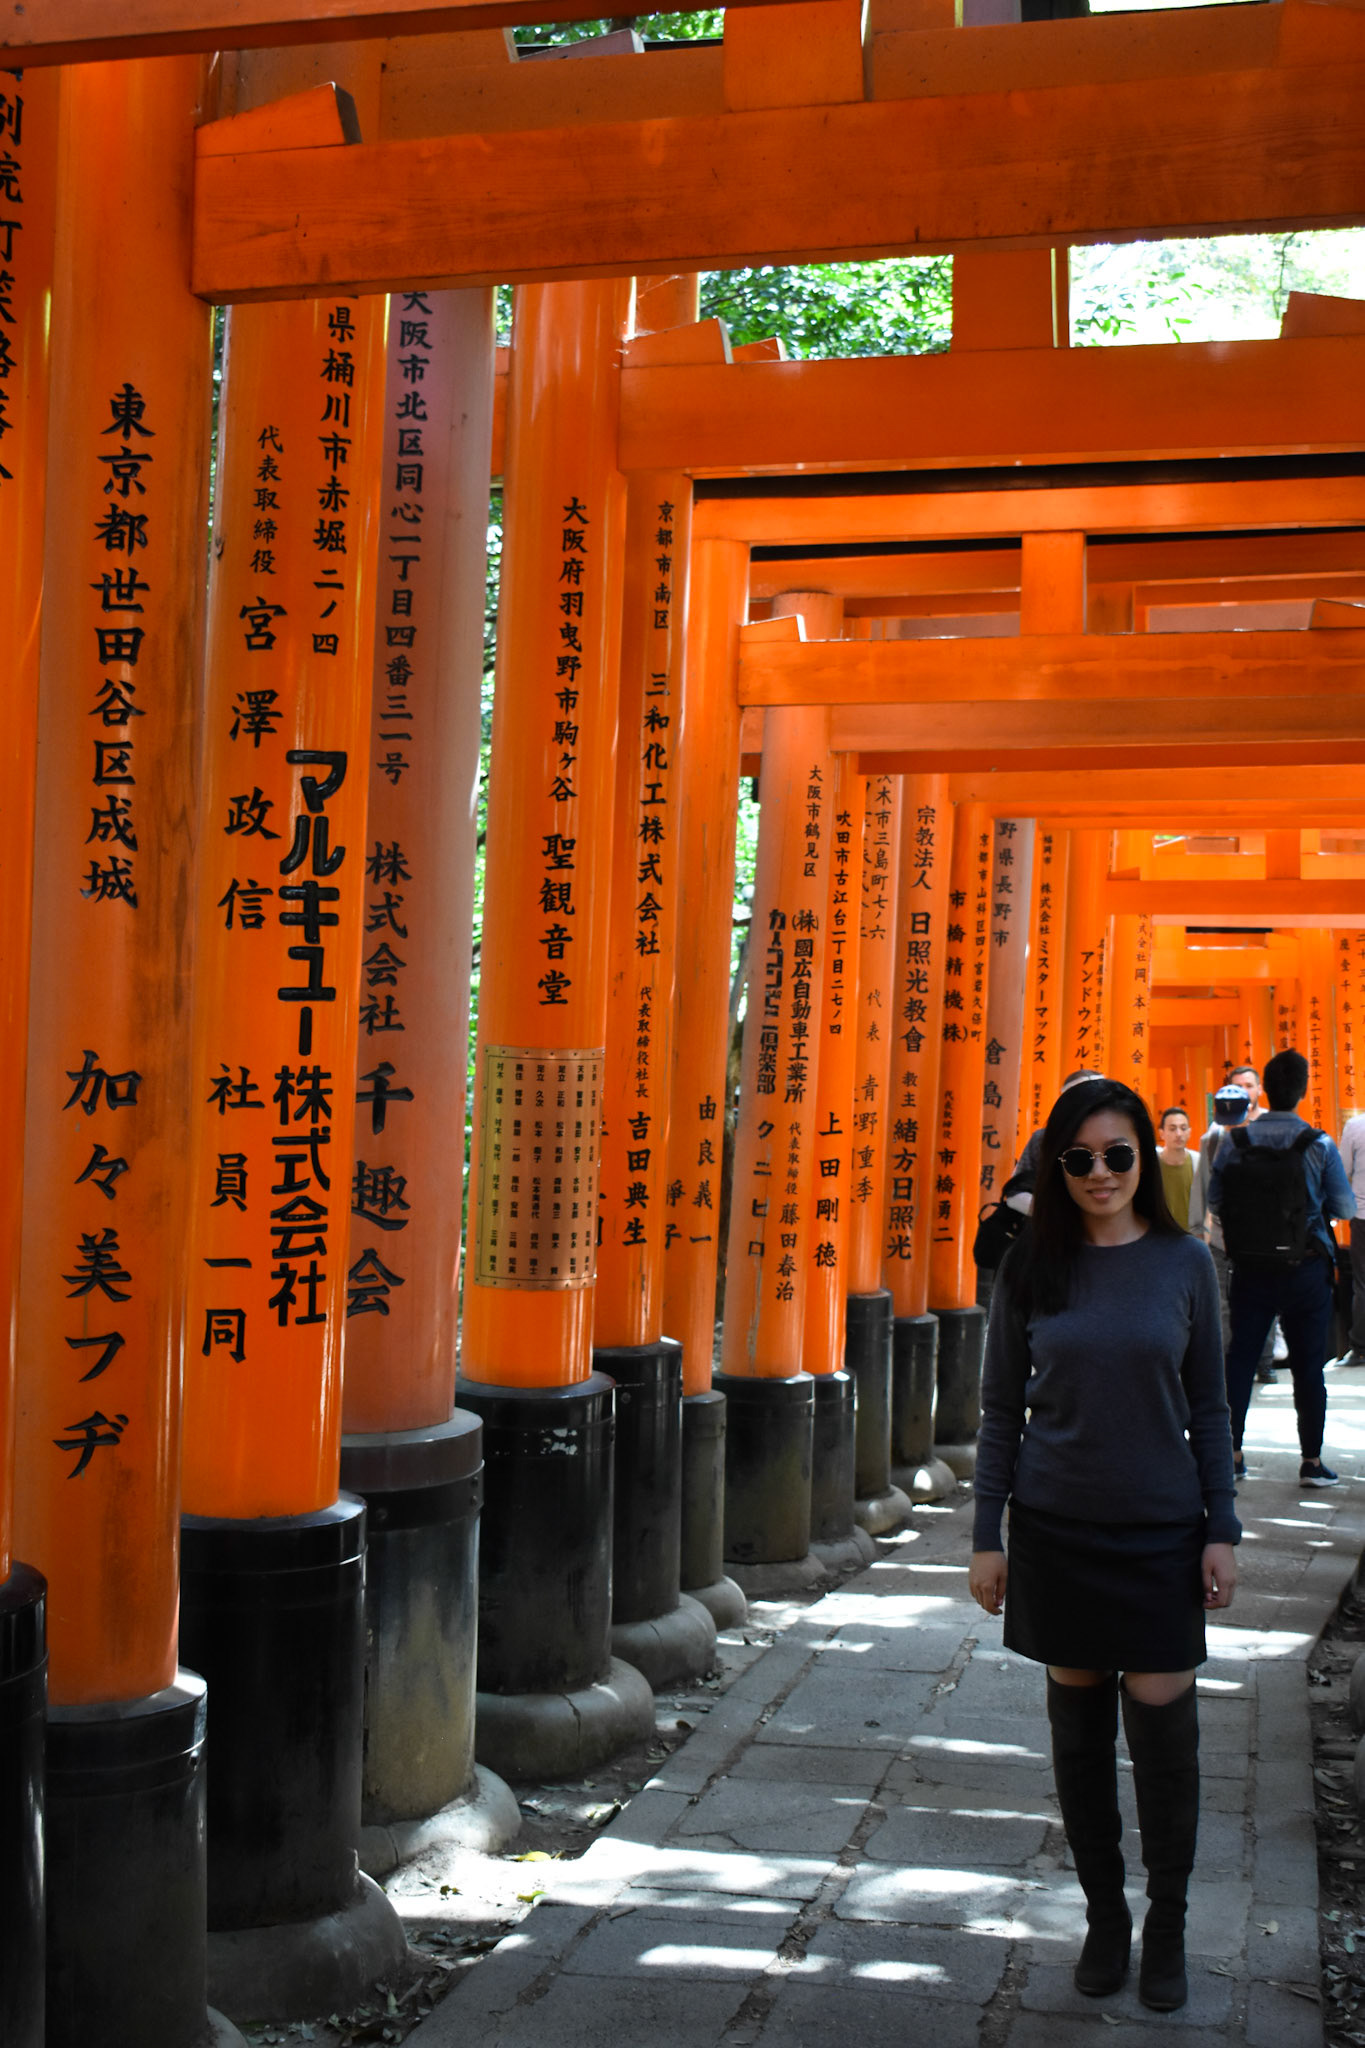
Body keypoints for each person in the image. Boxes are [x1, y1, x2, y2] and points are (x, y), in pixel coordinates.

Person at [969, 1078, 1238, 2015]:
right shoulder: (1031, 1267)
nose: (1097, 1174)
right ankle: (1104, 1916)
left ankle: (1166, 1921)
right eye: (1076, 1158)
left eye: (1116, 1155)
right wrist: (984, 1537)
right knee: (1077, 1745)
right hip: (1054, 1528)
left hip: (1162, 1532)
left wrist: (1222, 1529)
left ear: (1145, 1162)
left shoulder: (1183, 1265)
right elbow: (1001, 1409)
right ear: (1054, 1166)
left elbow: (1209, 1407)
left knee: (1164, 1741)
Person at [1209, 1048, 1355, 1485]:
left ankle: (1231, 1454)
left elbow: (1216, 1201)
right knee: (1309, 1364)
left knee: (1241, 1359)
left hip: (1251, 1267)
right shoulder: (1318, 1144)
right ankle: (1311, 1461)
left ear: (1264, 1092)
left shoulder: (1234, 1142)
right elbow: (1345, 1207)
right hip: (1305, 1267)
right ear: (1303, 1090)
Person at [1336, 1104, 1365, 1367]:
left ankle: (1360, 1347)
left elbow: (1341, 1170)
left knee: (1363, 1282)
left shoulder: (1355, 1127)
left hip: (1363, 1217)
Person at [1157, 1108, 1198, 1230]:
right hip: (1160, 1234)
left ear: (1189, 1132)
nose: (1179, 1134)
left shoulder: (1198, 1161)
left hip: (1191, 1235)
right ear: (1161, 1133)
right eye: (1172, 1129)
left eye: (1183, 1128)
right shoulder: (1152, 1164)